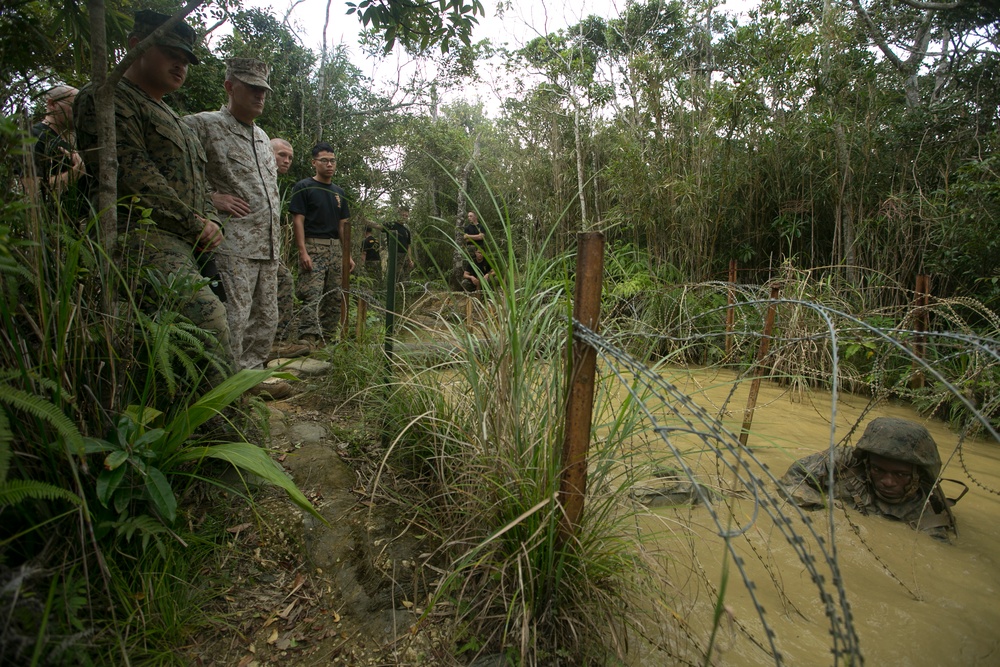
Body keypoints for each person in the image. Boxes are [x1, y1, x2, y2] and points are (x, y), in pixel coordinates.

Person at [74, 10, 233, 377]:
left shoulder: (174, 117)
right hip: (142, 236)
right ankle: (220, 424)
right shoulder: (110, 97)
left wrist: (207, 218)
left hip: (188, 241)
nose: (180, 67)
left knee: (189, 340)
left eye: (185, 61)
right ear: (136, 47)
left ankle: (206, 417)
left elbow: (191, 183)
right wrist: (193, 221)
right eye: (171, 56)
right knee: (209, 322)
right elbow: (131, 174)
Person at [184, 58, 297, 378]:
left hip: (268, 245)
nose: (260, 95)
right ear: (230, 87)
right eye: (252, 88)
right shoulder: (202, 124)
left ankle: (252, 378)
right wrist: (209, 198)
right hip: (233, 244)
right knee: (235, 317)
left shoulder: (263, 138)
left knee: (266, 318)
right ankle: (225, 386)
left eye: (264, 90)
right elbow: (171, 166)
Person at [778, 417, 958, 540]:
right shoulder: (844, 462)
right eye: (878, 470)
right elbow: (791, 480)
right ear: (867, 462)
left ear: (918, 475)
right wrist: (825, 508)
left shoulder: (928, 516)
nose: (888, 481)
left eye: (900, 475)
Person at [289, 143, 354, 345]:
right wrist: (303, 251)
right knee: (312, 293)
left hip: (335, 248)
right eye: (324, 160)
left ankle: (326, 339)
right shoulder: (304, 187)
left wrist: (347, 255)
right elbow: (298, 220)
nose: (329, 165)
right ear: (314, 162)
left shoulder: (339, 192)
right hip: (313, 246)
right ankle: (308, 338)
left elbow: (342, 225)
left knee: (335, 295)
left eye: (332, 160)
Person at [269, 137, 309, 358]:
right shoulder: (253, 172)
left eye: (290, 157)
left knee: (283, 280)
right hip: (242, 247)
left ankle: (277, 342)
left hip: (268, 249)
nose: (286, 161)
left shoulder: (272, 180)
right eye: (281, 155)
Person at [21, 85, 85, 202]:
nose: (79, 111)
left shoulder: (75, 142)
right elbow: (31, 190)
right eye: (74, 105)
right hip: (52, 218)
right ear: (52, 104)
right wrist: (77, 172)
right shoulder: (34, 136)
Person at [381, 206, 414, 284]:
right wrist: (365, 221)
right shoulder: (391, 225)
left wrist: (410, 259)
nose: (404, 217)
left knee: (406, 278)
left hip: (404, 257)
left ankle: (405, 294)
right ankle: (396, 294)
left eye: (406, 216)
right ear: (399, 215)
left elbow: (408, 246)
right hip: (395, 256)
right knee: (398, 277)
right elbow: (379, 226)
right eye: (403, 215)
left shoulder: (406, 231)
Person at [359, 226, 382, 290]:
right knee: (378, 277)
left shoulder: (365, 241)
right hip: (378, 261)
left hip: (370, 262)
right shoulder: (376, 241)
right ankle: (379, 289)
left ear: (365, 232)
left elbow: (364, 253)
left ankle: (372, 291)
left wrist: (362, 265)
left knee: (370, 278)